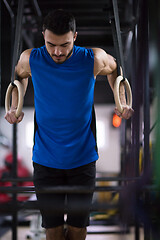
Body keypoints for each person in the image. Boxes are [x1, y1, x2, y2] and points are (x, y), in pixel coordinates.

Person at [4, 9, 134, 240]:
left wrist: (120, 102)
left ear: (75, 36)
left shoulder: (92, 59)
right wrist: (16, 105)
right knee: (52, 231)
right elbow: (19, 76)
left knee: (78, 230)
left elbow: (115, 69)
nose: (57, 51)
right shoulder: (31, 58)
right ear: (43, 35)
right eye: (50, 44)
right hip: (45, 160)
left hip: (82, 160)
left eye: (64, 44)